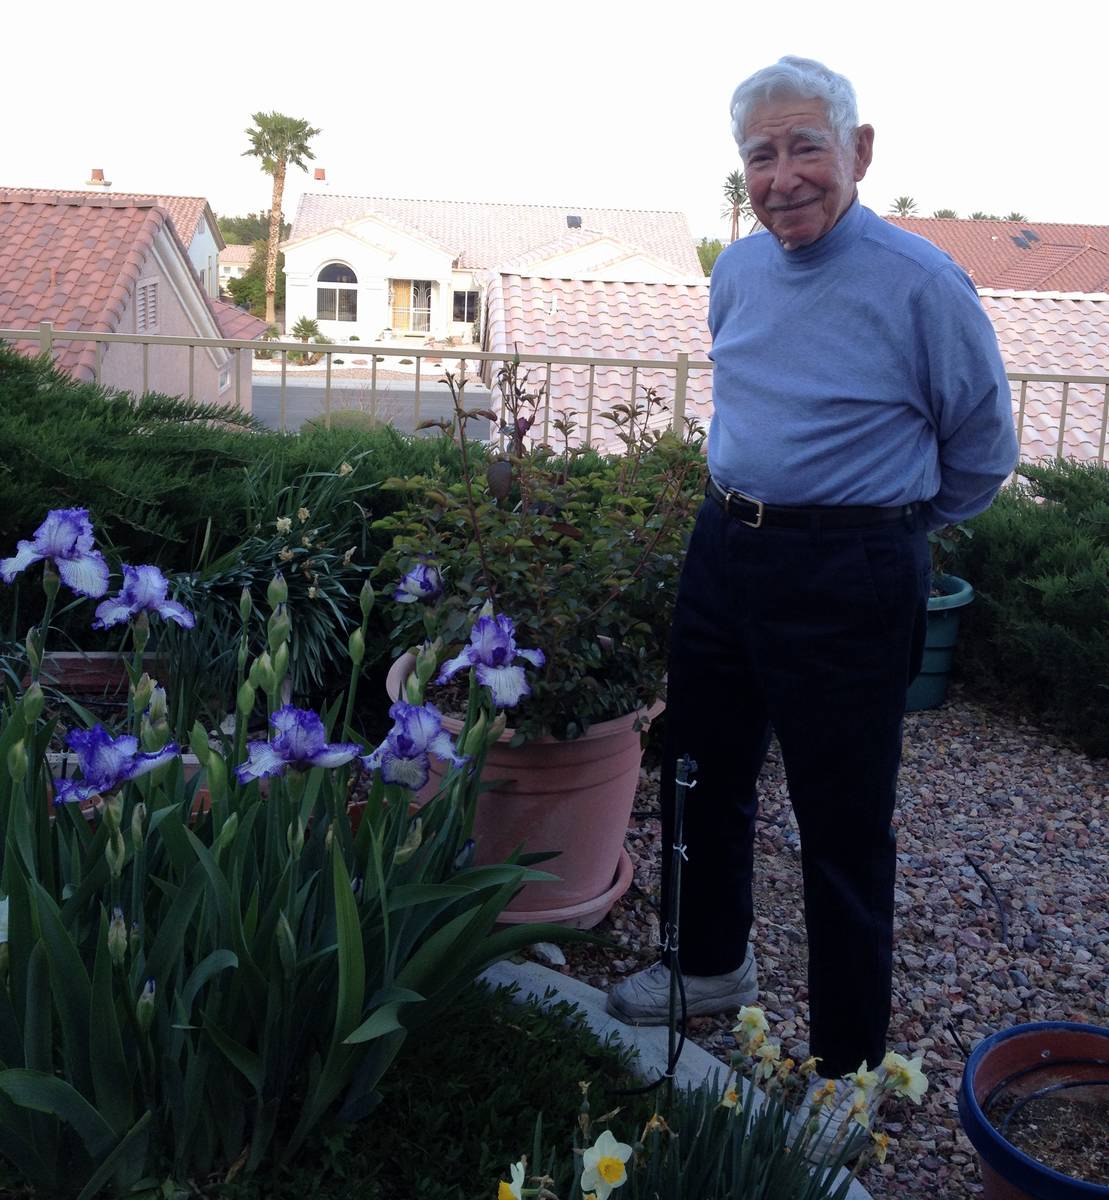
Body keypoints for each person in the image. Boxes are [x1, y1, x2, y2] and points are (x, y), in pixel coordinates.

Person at [607, 55, 1018, 1113]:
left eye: (805, 148)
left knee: (839, 824)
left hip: (849, 570)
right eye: (760, 154)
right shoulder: (737, 269)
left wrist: (879, 530)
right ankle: (709, 965)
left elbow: (979, 446)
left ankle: (845, 1068)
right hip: (724, 549)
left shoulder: (921, 281)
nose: (782, 175)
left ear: (858, 153)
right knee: (701, 773)